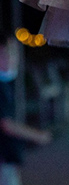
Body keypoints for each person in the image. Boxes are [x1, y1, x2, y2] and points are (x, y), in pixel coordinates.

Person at [0, 34, 52, 185]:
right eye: (10, 52)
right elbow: (6, 124)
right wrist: (38, 135)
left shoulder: (6, 84)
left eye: (16, 53)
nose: (15, 58)